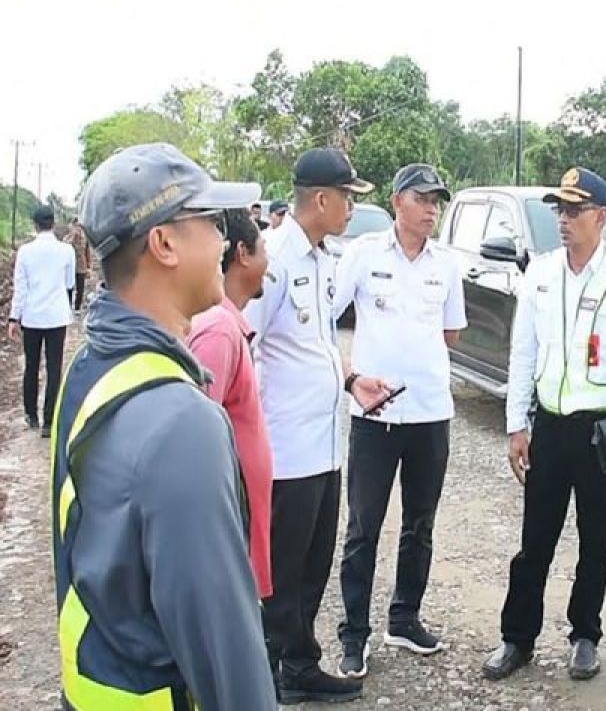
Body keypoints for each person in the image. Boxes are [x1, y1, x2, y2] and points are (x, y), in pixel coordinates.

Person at [50, 143, 276, 709]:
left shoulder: (91, 367)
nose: (225, 239)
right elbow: (226, 654)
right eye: (210, 221)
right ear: (164, 243)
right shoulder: (182, 422)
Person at [482, 167, 606, 682]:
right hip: (551, 429)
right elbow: (522, 352)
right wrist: (517, 425)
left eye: (575, 211)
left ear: (600, 218)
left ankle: (584, 635)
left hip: (601, 432)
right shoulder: (541, 272)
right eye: (560, 209)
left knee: (595, 540)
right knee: (534, 540)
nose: (564, 220)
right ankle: (517, 638)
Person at [244, 147, 387, 704]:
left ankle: (299, 665)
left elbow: (321, 345)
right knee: (279, 574)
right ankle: (262, 676)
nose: (352, 207)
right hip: (285, 448)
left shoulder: (326, 258)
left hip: (325, 445)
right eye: (348, 197)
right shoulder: (274, 258)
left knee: (312, 565)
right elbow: (244, 341)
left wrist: (352, 381)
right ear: (322, 199)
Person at [331, 164, 466, 678]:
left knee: (420, 524)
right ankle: (354, 634)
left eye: (438, 201)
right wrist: (352, 374)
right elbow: (329, 315)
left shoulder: (446, 265)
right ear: (397, 202)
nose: (432, 208)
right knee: (363, 526)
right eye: (423, 199)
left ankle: (404, 618)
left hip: (430, 411)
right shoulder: (364, 255)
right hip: (375, 413)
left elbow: (451, 332)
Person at [187, 208, 274, 599]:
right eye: (263, 250)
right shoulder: (219, 332)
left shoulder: (226, 325)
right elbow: (197, 444)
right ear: (242, 253)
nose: (268, 263)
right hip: (228, 527)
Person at [8, 204, 74, 437]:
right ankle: (49, 421)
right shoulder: (67, 251)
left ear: (35, 225)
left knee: (31, 366)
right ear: (53, 223)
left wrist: (13, 318)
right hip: (56, 316)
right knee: (54, 368)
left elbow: (21, 288)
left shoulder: (25, 252)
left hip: (32, 317)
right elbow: (69, 284)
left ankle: (31, 415)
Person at [64, 216, 92, 312]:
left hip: (81, 267)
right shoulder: (67, 239)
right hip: (70, 267)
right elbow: (64, 248)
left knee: (80, 288)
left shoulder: (85, 239)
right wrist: (73, 237)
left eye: (79, 226)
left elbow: (87, 253)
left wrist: (89, 267)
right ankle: (68, 308)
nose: (78, 229)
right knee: (69, 287)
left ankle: (77, 308)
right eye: (75, 226)